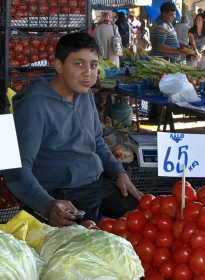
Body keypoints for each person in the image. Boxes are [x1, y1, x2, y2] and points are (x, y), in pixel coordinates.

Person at [2, 32, 142, 228]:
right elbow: (15, 170)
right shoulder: (34, 106)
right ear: (58, 65)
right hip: (61, 192)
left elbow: (97, 141)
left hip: (97, 184)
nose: (88, 72)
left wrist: (119, 172)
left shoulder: (84, 94)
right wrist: (47, 205)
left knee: (144, 217)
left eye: (93, 65)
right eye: (78, 64)